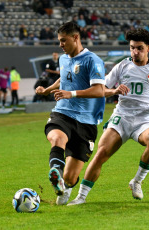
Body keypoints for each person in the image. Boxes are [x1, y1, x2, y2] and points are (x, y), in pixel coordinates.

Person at [68, 28, 149, 206]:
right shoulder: (122, 66)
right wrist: (114, 90)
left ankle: (137, 181)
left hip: (145, 119)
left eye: (139, 48)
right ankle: (81, 197)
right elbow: (101, 89)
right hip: (122, 117)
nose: (135, 52)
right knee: (101, 154)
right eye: (132, 48)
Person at [34, 21, 105, 206]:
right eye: (59, 41)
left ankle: (64, 184)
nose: (60, 45)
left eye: (63, 40)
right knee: (57, 139)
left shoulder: (93, 60)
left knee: (71, 178)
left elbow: (99, 90)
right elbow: (64, 77)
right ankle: (55, 172)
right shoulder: (63, 58)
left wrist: (71, 93)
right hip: (63, 113)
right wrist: (48, 90)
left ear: (75, 38)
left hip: (86, 122)